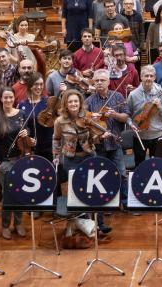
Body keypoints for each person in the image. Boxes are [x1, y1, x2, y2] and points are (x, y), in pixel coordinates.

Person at [53, 89, 112, 235]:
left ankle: (101, 223)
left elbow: (93, 137)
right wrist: (56, 155)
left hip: (89, 156)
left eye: (76, 101)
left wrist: (101, 137)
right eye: (70, 101)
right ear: (66, 104)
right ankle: (86, 223)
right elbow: (56, 139)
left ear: (80, 103)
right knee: (79, 192)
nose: (73, 104)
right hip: (71, 159)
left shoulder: (87, 117)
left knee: (96, 189)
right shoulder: (60, 121)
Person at [0, 87, 32, 239]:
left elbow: (27, 132)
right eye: (5, 97)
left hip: (21, 159)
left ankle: (18, 223)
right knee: (8, 195)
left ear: (14, 98)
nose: (8, 100)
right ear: (0, 99)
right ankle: (5, 225)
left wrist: (27, 132)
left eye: (10, 97)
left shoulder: (21, 114)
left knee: (19, 193)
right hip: (5, 162)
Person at [85, 70, 128, 195]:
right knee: (101, 175)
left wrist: (115, 114)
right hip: (99, 145)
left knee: (121, 174)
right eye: (97, 80)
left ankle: (125, 202)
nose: (99, 83)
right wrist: (92, 118)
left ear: (108, 82)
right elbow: (83, 121)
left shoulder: (118, 96)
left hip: (115, 143)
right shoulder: (89, 101)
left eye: (102, 80)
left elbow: (126, 116)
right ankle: (107, 201)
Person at [127, 65, 162, 163]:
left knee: (157, 164)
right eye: (146, 76)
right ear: (141, 77)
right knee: (139, 163)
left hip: (156, 135)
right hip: (139, 136)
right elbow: (127, 115)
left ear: (155, 77)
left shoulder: (160, 92)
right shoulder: (133, 94)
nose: (149, 78)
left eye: (151, 76)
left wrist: (159, 107)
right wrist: (131, 124)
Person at [18, 73, 52, 161]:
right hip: (30, 146)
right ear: (30, 85)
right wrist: (27, 136)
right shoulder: (22, 104)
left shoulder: (48, 102)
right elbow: (21, 125)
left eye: (41, 84)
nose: (39, 87)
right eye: (36, 84)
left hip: (48, 146)